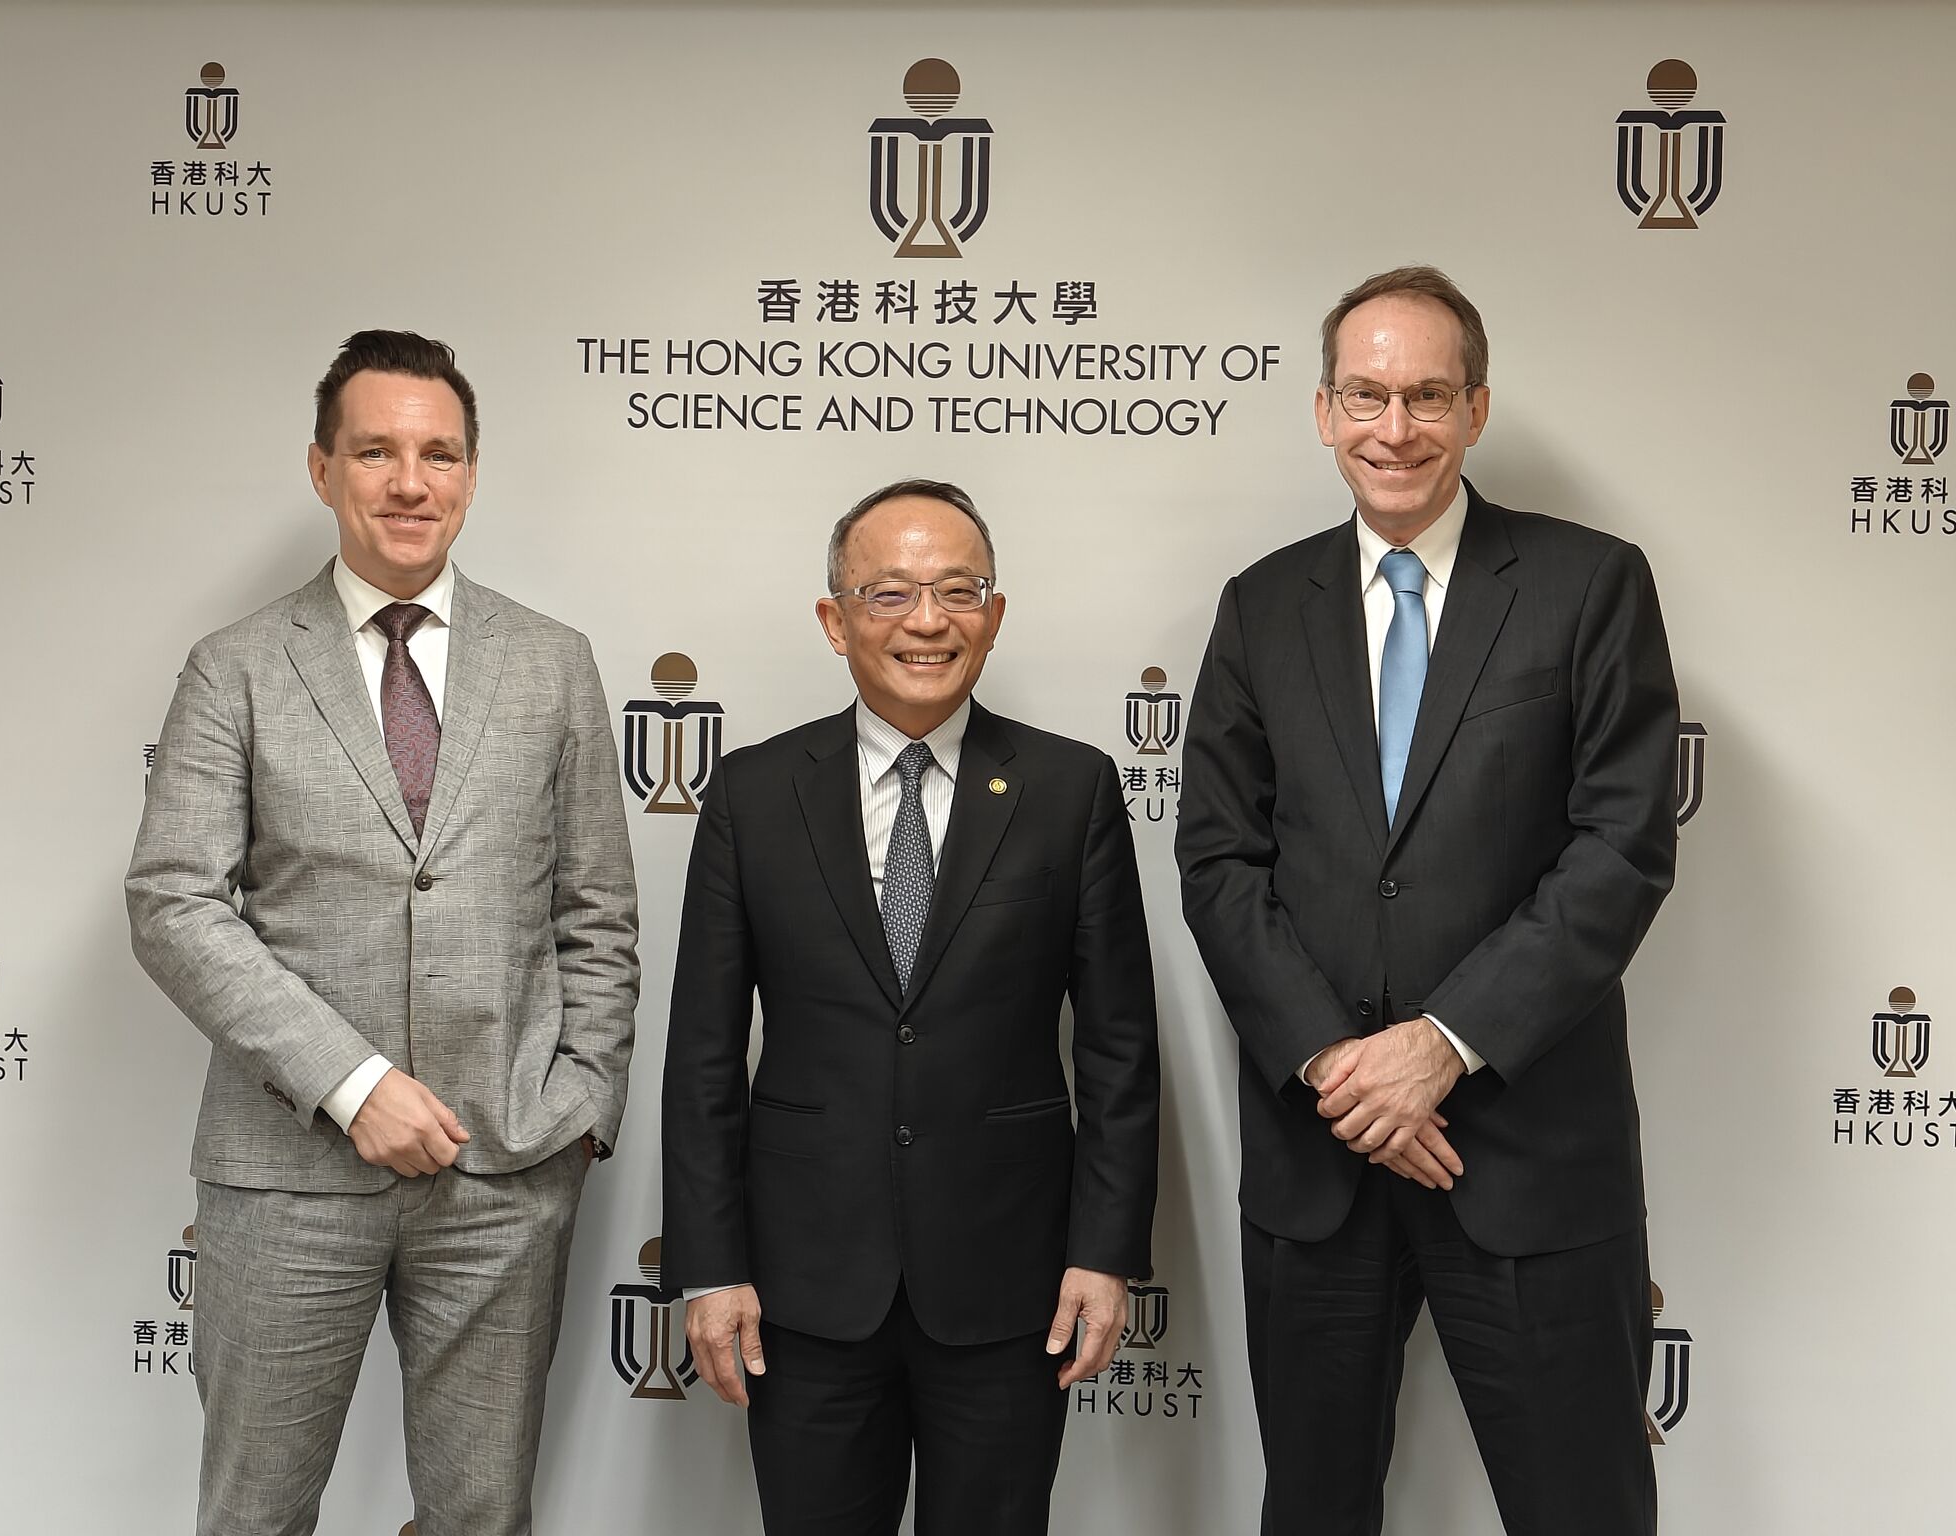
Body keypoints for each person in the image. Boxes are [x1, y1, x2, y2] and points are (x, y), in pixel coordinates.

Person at [1176, 267, 1679, 1536]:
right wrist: (1342, 1070)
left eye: (1423, 395)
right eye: (1364, 394)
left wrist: (1438, 1049)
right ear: (1320, 408)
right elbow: (1218, 862)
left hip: (1522, 1149)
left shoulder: (1587, 585)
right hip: (1320, 1150)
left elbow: (1619, 847)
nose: (1390, 427)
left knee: (1582, 1507)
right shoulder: (1258, 604)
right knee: (1313, 1509)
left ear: (1475, 407)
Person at [126, 329, 639, 1536]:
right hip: (287, 1172)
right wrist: (353, 1086)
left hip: (505, 1174)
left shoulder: (553, 664)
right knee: (255, 1514)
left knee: (480, 1517)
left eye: (438, 454)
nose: (410, 482)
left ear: (469, 473)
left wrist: (575, 1108)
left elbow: (597, 913)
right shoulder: (236, 668)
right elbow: (173, 902)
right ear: (322, 470)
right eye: (376, 452)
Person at [661, 479, 1161, 1535]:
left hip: (1009, 1284)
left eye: (956, 591)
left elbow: (1119, 1049)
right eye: (888, 593)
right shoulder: (753, 795)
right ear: (833, 618)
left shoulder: (1069, 789)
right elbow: (703, 1055)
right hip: (801, 1293)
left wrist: (1104, 1251)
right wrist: (708, 1266)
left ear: (994, 613)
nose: (926, 622)